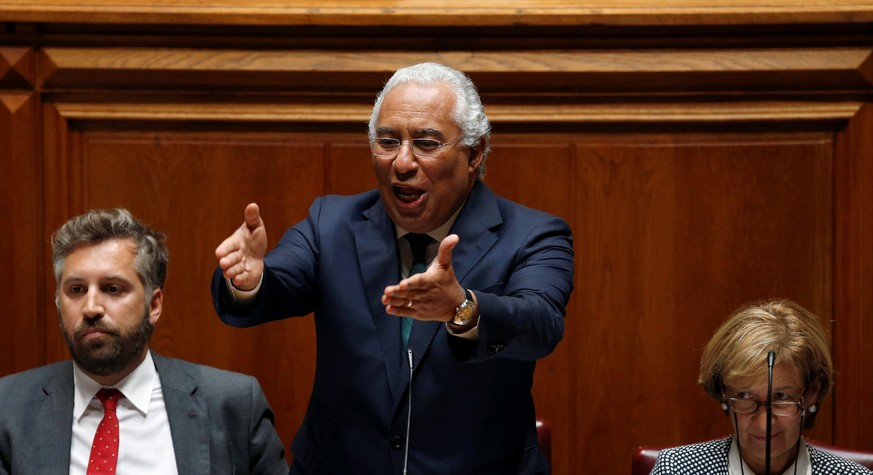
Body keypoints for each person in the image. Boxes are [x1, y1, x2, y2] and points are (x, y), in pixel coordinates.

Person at [212, 62, 575, 474]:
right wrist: (249, 279)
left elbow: (540, 322)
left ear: (474, 153)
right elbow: (273, 285)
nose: (402, 162)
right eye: (388, 141)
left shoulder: (532, 235)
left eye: (425, 142)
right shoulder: (330, 223)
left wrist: (462, 308)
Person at [0, 208, 289, 475]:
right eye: (76, 290)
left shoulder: (232, 405)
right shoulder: (8, 409)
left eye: (112, 289)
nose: (90, 308)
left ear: (154, 305)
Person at [650, 298, 872, 475]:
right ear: (724, 394)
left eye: (781, 396)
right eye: (745, 395)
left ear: (812, 392)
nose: (764, 423)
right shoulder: (676, 469)